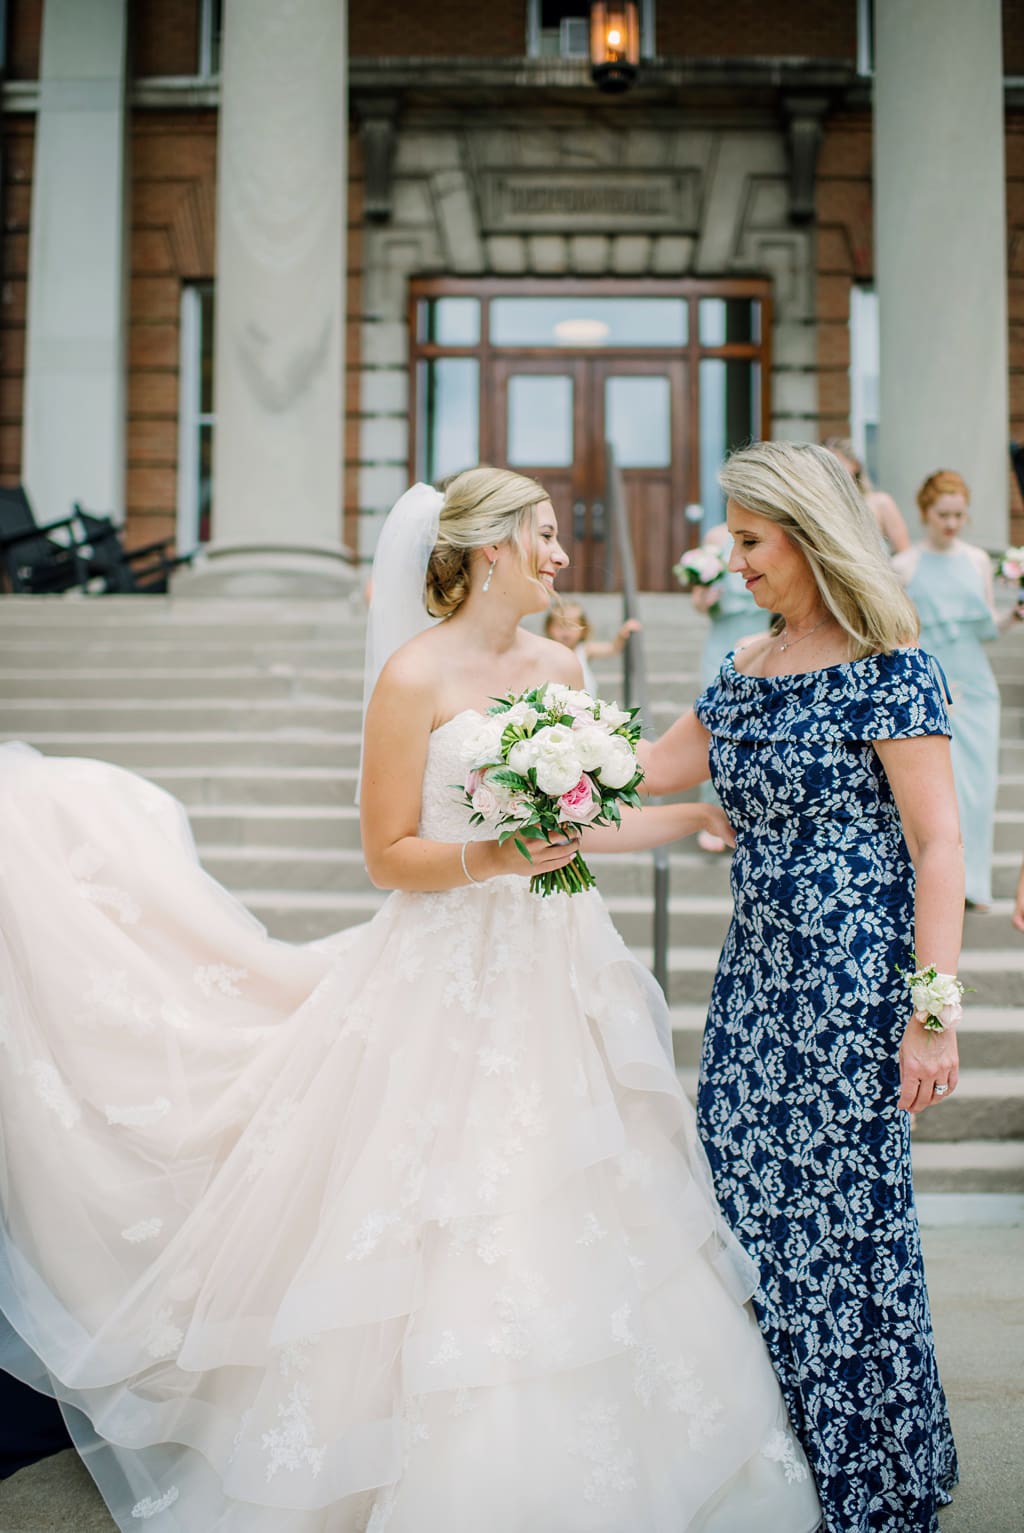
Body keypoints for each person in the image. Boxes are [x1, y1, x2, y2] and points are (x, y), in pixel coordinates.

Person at [0, 467, 821, 1532]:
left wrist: (693, 820)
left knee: (575, 1185)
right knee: (444, 1205)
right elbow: (389, 855)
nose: (560, 554)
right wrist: (492, 855)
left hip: (557, 964)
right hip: (446, 972)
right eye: (542, 536)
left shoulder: (560, 661)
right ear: (488, 552)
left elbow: (589, 819)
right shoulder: (412, 677)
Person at [640, 442, 962, 1533]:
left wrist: (929, 1015)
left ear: (808, 537)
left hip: (854, 984)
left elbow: (939, 845)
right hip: (755, 984)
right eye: (728, 542)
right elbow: (639, 772)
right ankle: (768, 1469)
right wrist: (512, 737)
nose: (732, 562)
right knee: (742, 1206)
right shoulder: (741, 671)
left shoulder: (889, 665)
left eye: (747, 542)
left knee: (845, 1224)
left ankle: (867, 1480)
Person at [892, 469, 1023, 910]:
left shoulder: (977, 561)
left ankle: (973, 884)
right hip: (930, 687)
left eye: (959, 515)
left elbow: (986, 627)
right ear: (926, 513)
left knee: (979, 787)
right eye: (944, 514)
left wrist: (1015, 617)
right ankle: (933, 881)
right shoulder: (905, 565)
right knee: (935, 788)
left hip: (978, 686)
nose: (951, 522)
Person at [685, 522, 771, 852]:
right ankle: (713, 810)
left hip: (758, 639)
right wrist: (706, 597)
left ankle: (746, 813)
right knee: (715, 725)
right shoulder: (715, 537)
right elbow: (698, 601)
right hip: (721, 639)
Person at [824, 436, 912, 554]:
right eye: (824, 466)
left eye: (836, 464)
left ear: (855, 465)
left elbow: (905, 553)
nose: (830, 472)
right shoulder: (823, 509)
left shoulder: (880, 503)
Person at [543, 600, 640, 697]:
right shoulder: (547, 649)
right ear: (549, 628)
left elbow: (613, 649)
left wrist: (622, 634)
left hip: (584, 702)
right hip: (557, 702)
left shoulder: (584, 649)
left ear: (583, 629)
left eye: (572, 626)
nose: (566, 631)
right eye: (560, 626)